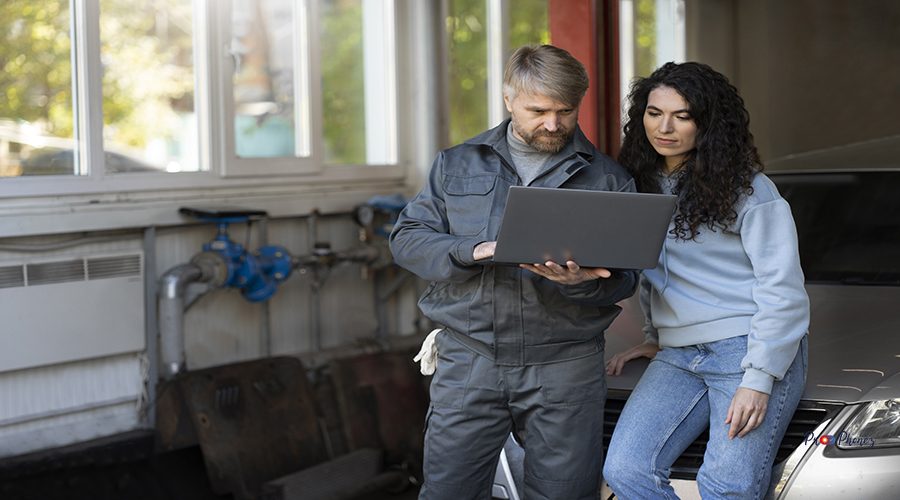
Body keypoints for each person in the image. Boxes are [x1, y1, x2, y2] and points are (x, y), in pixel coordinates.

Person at [390, 44, 638, 499]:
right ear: (509, 99)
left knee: (564, 494)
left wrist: (584, 284)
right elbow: (407, 240)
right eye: (538, 110)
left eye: (565, 111)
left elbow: (625, 279)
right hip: (471, 357)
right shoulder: (455, 164)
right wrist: (472, 249)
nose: (553, 124)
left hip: (566, 364)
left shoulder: (607, 179)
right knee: (448, 492)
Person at [602, 61, 809, 499]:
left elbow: (783, 290)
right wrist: (655, 334)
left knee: (725, 488)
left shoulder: (749, 191)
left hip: (746, 347)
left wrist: (759, 378)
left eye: (682, 116)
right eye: (654, 113)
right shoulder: (641, 184)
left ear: (708, 122)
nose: (665, 127)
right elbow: (656, 272)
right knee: (625, 469)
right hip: (680, 354)